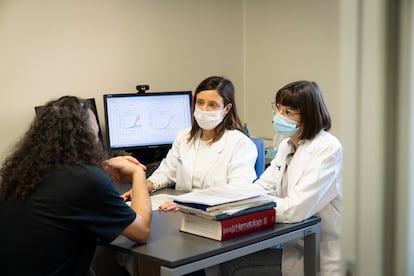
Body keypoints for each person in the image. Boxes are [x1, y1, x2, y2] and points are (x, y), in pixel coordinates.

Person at [0, 96, 152, 276]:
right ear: (85, 138)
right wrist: (138, 173)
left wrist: (102, 167)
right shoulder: (86, 180)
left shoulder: (23, 172)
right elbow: (142, 231)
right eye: (95, 134)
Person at [221, 80, 342, 276]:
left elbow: (295, 209)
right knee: (225, 260)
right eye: (278, 109)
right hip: (293, 245)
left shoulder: (327, 149)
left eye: (288, 112)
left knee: (232, 266)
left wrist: (251, 207)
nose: (279, 116)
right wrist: (224, 202)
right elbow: (262, 186)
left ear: (309, 116)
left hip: (320, 254)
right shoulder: (287, 145)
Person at [122, 75, 258, 211]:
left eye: (212, 105)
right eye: (200, 102)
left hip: (214, 213)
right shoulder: (184, 137)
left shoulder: (241, 144)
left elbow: (238, 189)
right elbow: (166, 172)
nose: (204, 109)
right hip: (179, 211)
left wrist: (189, 203)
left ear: (226, 109)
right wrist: (144, 187)